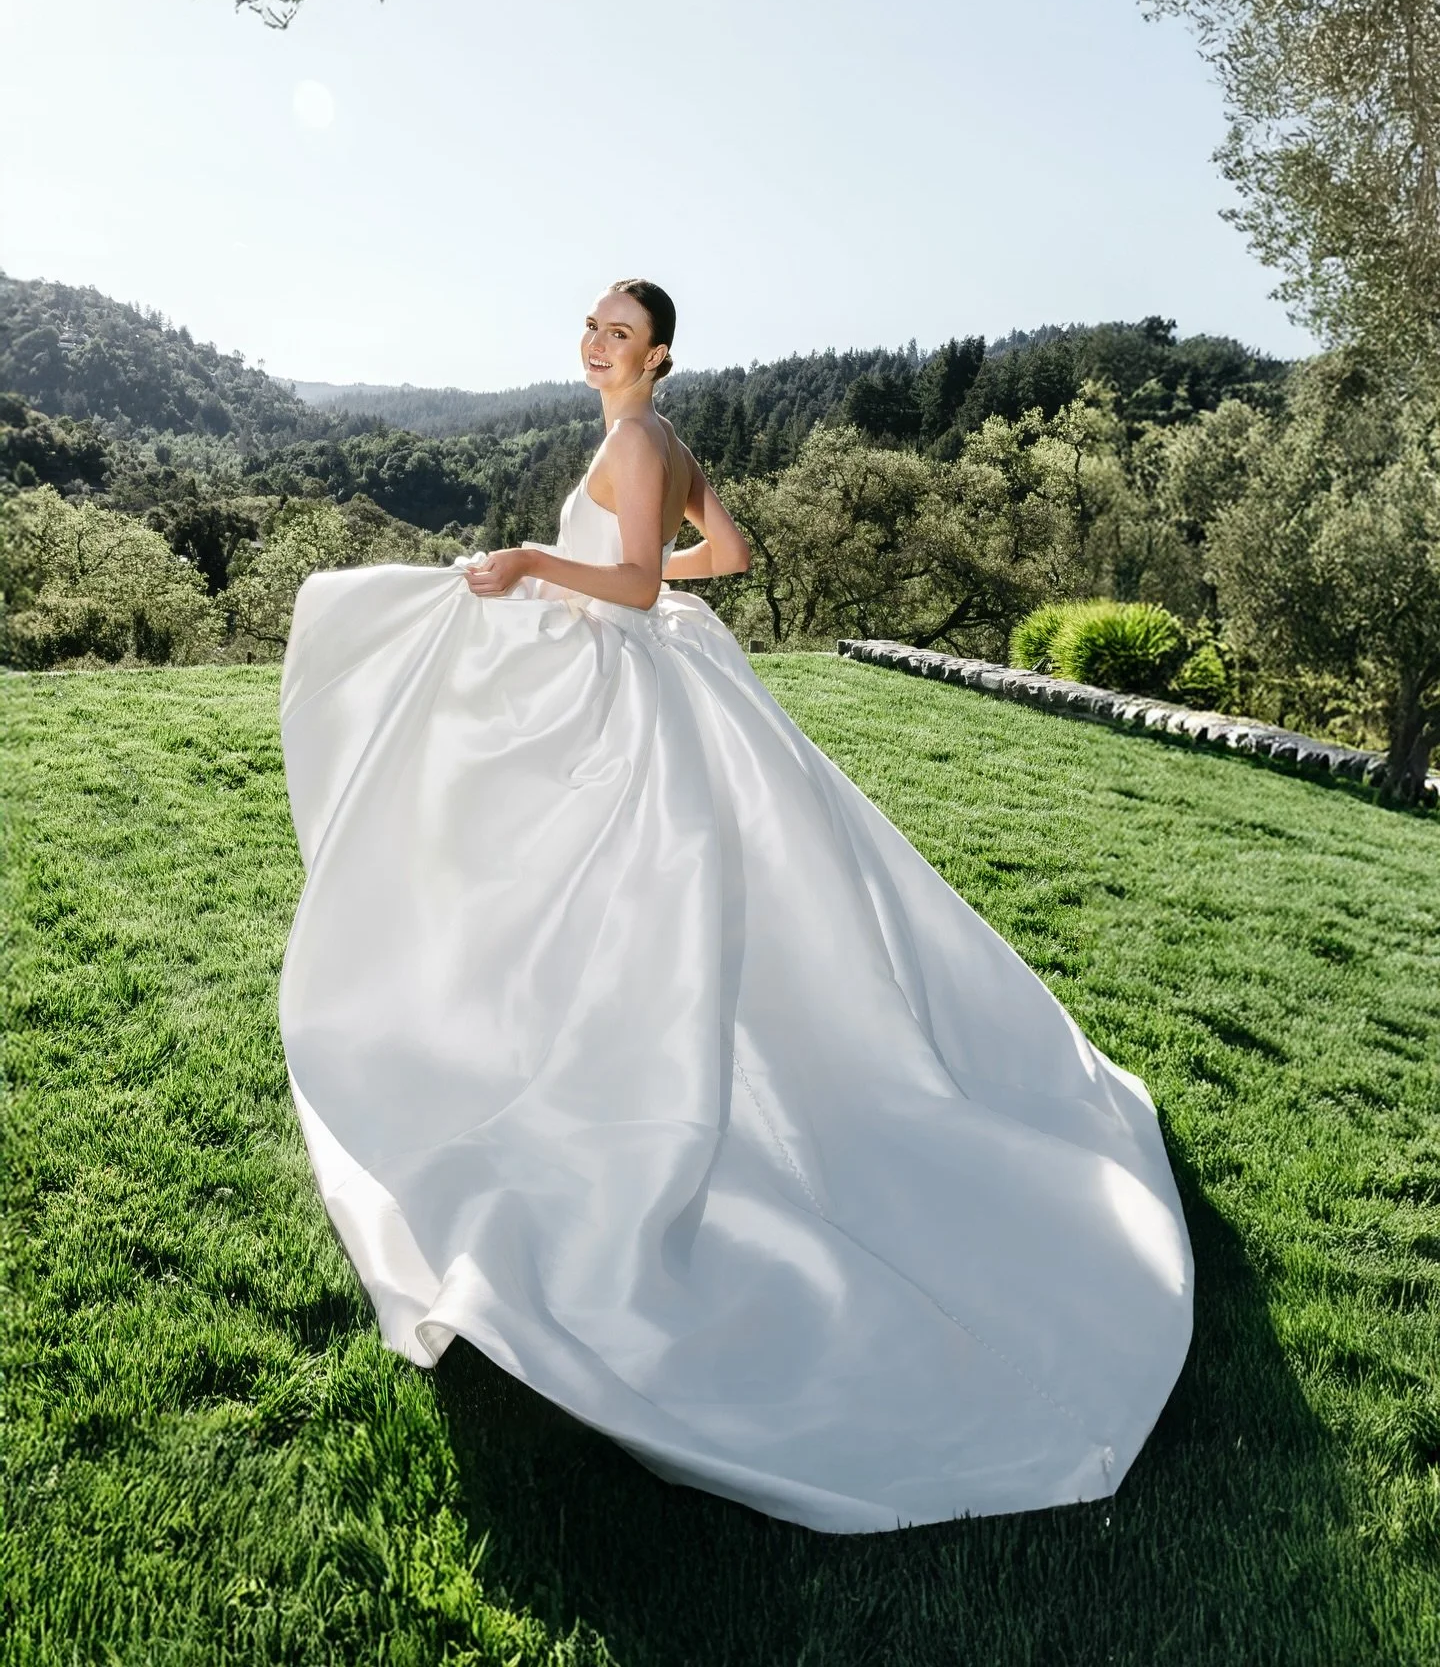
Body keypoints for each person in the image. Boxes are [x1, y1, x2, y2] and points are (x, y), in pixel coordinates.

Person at [277, 278, 1193, 1536]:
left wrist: (542, 563)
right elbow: (733, 557)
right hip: (626, 692)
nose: (595, 344)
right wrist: (592, 572)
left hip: (625, 716)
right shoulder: (656, 442)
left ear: (658, 356)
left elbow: (648, 589)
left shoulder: (642, 439)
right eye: (590, 326)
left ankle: (598, 1114)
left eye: (618, 333)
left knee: (613, 920)